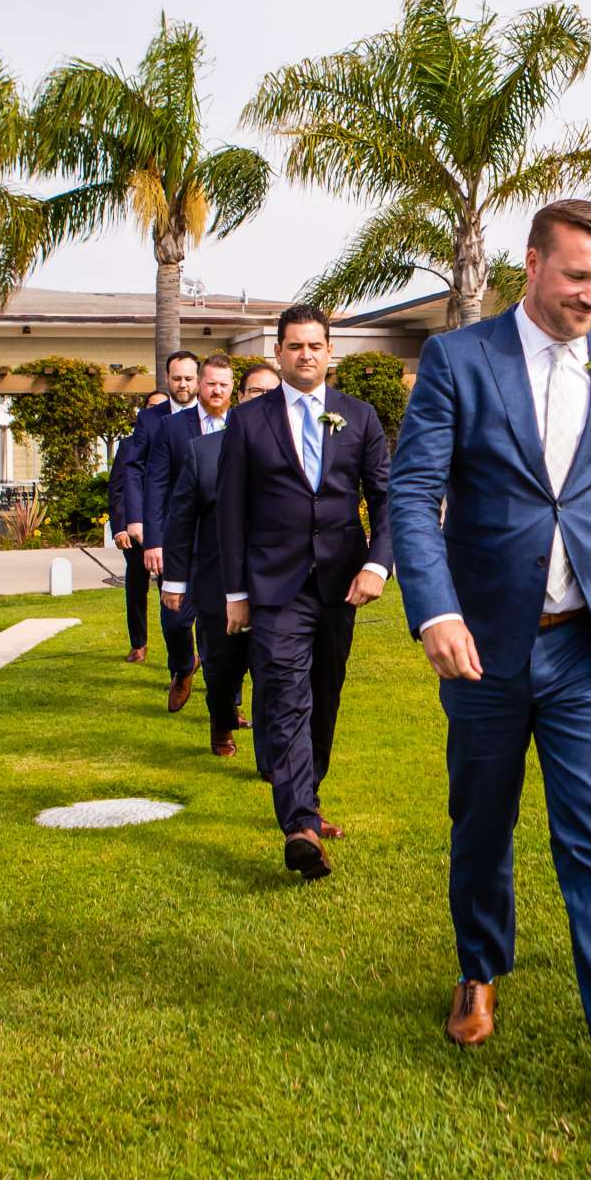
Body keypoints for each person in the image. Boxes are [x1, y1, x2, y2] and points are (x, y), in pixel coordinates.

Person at [388, 198, 591, 1124]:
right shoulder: (459, 359)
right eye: (576, 277)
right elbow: (413, 494)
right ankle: (479, 967)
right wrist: (434, 611)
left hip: (589, 650)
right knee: (481, 822)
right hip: (484, 648)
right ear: (531, 265)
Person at [218, 305, 393, 879]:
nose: (306, 355)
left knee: (325, 691)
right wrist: (235, 592)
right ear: (279, 354)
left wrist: (378, 565)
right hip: (275, 586)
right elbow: (232, 512)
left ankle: (309, 798)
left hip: (342, 583)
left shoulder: (360, 417)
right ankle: (298, 824)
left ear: (329, 352)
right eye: (294, 346)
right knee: (287, 693)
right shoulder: (249, 421)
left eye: (315, 345)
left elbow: (387, 498)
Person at [163, 354, 262, 760]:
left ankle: (273, 755)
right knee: (222, 667)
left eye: (270, 393)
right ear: (243, 397)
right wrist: (174, 580)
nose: (262, 399)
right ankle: (221, 723)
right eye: (255, 392)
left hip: (274, 578)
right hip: (215, 576)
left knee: (275, 672)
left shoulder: (296, 449)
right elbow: (181, 517)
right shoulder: (205, 450)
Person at [122, 350, 208, 704]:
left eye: (189, 378)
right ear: (168, 379)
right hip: (170, 529)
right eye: (177, 378)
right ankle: (183, 667)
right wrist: (138, 521)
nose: (183, 384)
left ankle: (228, 702)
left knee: (219, 614)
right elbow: (134, 469)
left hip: (213, 527)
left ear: (198, 379)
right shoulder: (151, 419)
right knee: (173, 614)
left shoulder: (217, 414)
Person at [108, 398, 156, 664]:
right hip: (134, 530)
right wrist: (120, 528)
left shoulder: (179, 440)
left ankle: (182, 650)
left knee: (173, 591)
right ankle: (138, 643)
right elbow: (117, 490)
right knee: (137, 587)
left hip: (168, 528)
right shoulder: (128, 446)